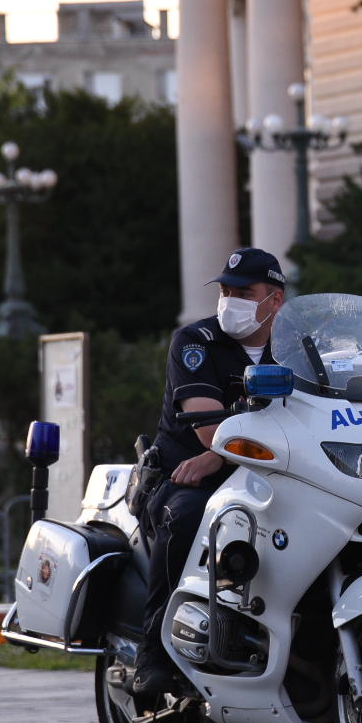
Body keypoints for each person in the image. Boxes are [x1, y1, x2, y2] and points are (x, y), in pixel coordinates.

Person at [131, 247, 287, 699]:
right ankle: (153, 652)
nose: (230, 300)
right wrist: (218, 455)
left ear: (274, 300)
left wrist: (223, 453)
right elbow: (208, 431)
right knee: (189, 516)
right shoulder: (196, 342)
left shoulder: (300, 351)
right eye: (225, 290)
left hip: (270, 476)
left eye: (244, 292)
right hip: (185, 475)